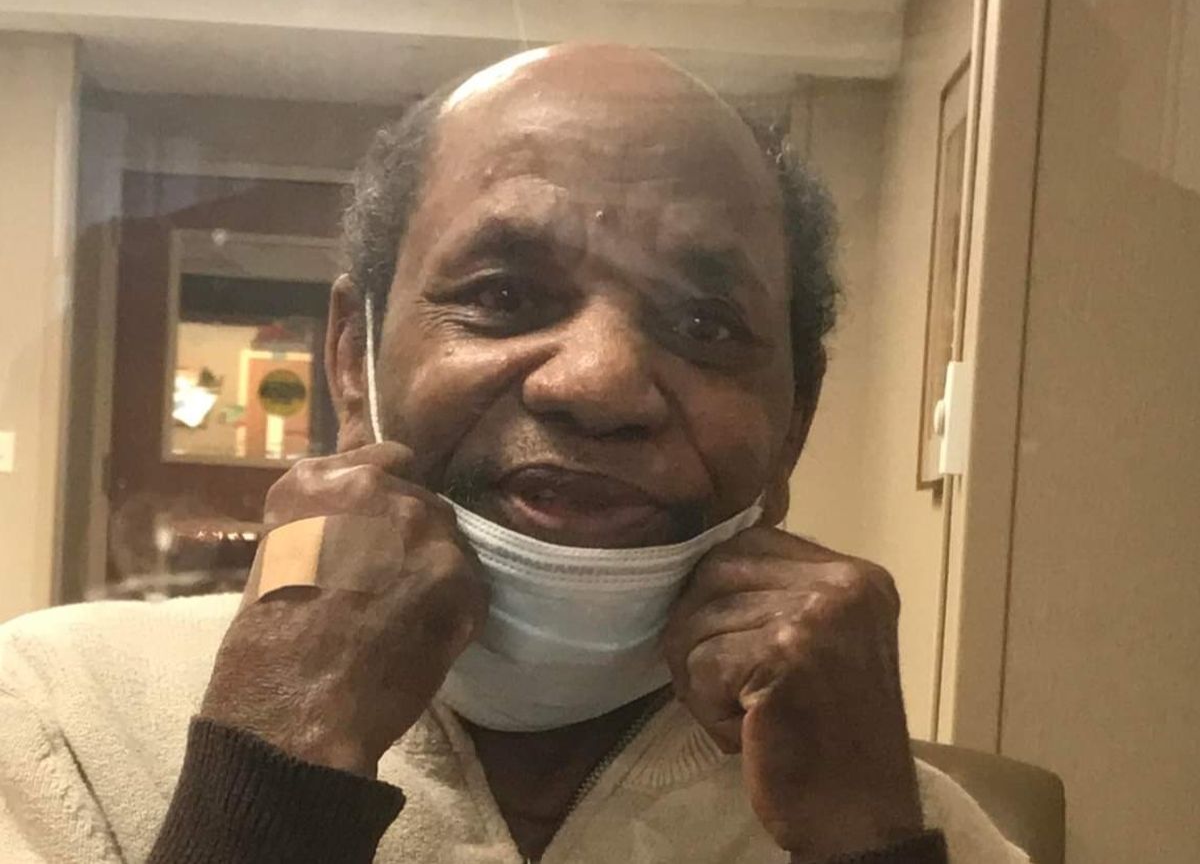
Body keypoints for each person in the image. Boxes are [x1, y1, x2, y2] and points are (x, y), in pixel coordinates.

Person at [0, 44, 1028, 864]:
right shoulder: (54, 722)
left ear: (795, 417)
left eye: (706, 324)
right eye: (502, 295)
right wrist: (273, 765)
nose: (602, 383)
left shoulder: (902, 820)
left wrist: (871, 850)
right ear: (352, 360)